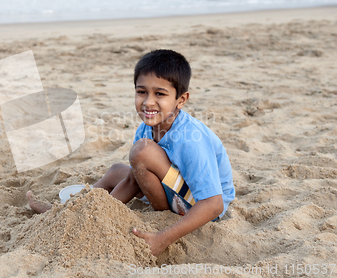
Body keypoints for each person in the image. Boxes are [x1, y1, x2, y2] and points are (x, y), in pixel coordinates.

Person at [27, 49, 235, 257]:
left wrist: (162, 239)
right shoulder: (146, 128)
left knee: (142, 152)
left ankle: (80, 211)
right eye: (142, 92)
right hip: (176, 189)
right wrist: (94, 213)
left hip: (200, 208)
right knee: (118, 171)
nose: (148, 102)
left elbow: (214, 204)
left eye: (160, 94)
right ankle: (75, 209)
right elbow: (132, 180)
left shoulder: (191, 138)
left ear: (181, 100)